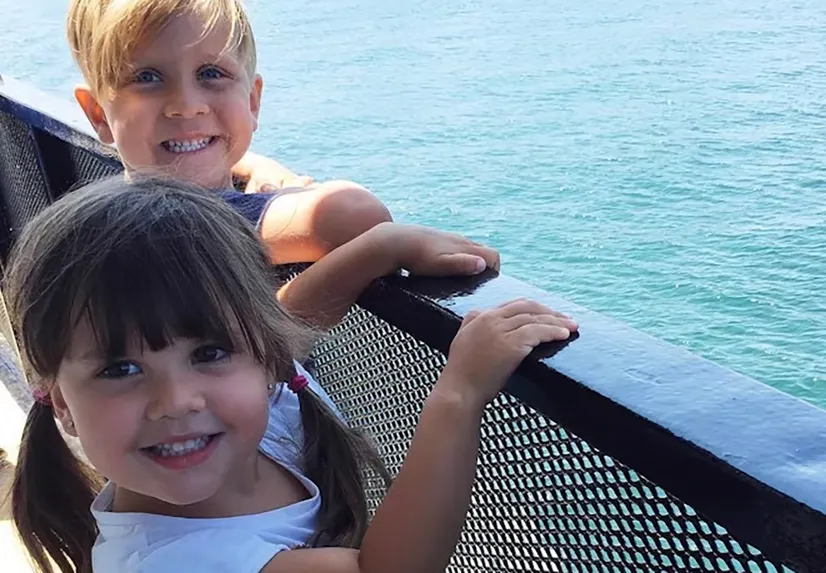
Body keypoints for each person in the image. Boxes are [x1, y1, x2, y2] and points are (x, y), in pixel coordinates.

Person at [5, 177, 577, 573]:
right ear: (58, 402)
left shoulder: (252, 406)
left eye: (207, 353)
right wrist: (459, 393)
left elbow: (284, 320)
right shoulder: (171, 560)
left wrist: (380, 246)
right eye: (120, 368)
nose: (175, 400)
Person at [65, 0, 499, 327]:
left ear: (251, 99)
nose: (186, 106)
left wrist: (250, 164)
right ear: (98, 114)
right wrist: (383, 247)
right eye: (147, 77)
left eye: (211, 74)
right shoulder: (170, 231)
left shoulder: (106, 220)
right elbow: (352, 216)